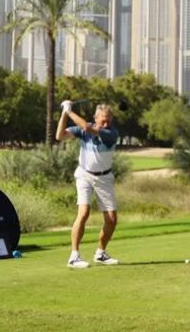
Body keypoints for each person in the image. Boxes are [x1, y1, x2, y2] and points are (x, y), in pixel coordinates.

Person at [56, 101, 120, 268]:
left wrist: (69, 111)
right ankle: (74, 256)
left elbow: (87, 128)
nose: (106, 123)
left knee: (112, 219)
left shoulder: (110, 132)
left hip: (104, 178)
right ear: (95, 117)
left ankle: (100, 253)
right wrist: (64, 113)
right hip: (84, 175)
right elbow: (59, 136)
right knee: (83, 213)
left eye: (108, 120)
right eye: (103, 120)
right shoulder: (84, 128)